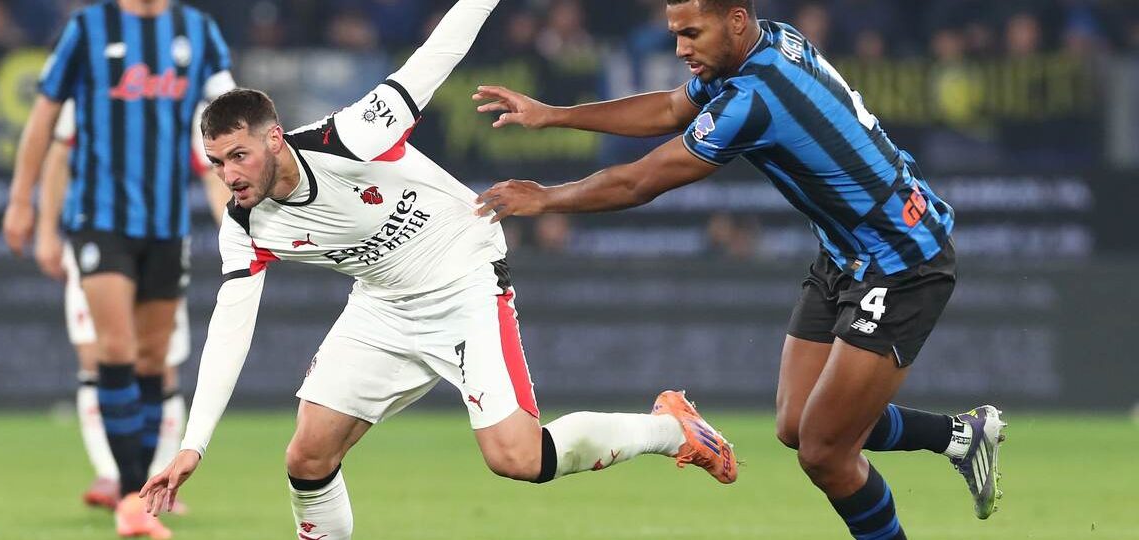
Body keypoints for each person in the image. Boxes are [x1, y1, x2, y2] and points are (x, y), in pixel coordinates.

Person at [139, 2, 738, 539]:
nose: (229, 176)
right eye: (216, 163)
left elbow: (439, 51)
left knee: (516, 458)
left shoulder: (351, 137)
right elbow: (231, 327)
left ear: (274, 139)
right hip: (383, 302)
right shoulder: (245, 224)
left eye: (238, 156)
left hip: (462, 279)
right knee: (307, 457)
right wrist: (194, 445)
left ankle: (671, 430)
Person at [471, 1, 1006, 538]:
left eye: (691, 33)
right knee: (797, 424)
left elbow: (641, 181)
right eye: (676, 34)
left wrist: (546, 198)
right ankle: (959, 436)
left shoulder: (755, 97)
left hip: (901, 261)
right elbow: (669, 108)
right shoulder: (768, 42)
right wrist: (553, 114)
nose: (680, 48)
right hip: (847, 253)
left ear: (734, 20)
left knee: (825, 452)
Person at [1, 0, 235, 536]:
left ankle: (139, 493)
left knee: (153, 358)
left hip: (167, 224)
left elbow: (235, 113)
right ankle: (131, 496)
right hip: (99, 220)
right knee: (115, 348)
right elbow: (45, 118)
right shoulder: (88, 29)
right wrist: (21, 200)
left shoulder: (197, 32)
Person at [33, 101, 222, 511]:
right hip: (96, 234)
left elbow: (213, 170)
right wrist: (46, 230)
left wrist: (234, 232)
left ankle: (158, 480)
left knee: (158, 360)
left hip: (163, 239)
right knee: (97, 356)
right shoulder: (88, 90)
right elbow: (59, 156)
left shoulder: (184, 93)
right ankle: (112, 474)